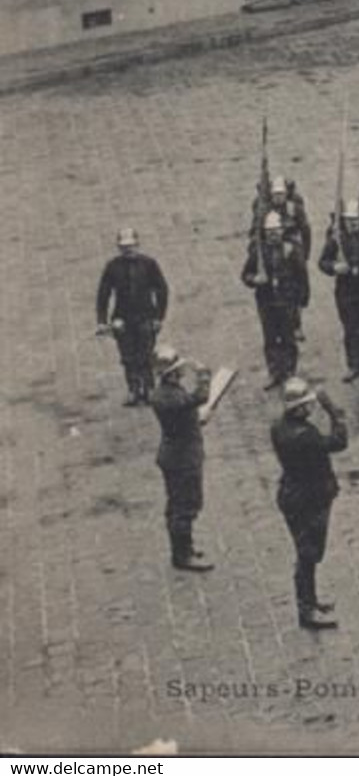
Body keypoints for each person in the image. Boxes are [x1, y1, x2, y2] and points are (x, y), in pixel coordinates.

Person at [271, 378, 348, 631]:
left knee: (308, 552)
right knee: (308, 554)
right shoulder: (306, 436)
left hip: (293, 493)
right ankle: (306, 610)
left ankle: (311, 601)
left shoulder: (278, 427)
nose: (310, 409)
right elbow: (339, 442)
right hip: (309, 499)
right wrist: (334, 412)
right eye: (307, 405)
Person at [147, 345, 214, 572]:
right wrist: (204, 375)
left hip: (177, 454)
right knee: (185, 506)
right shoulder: (171, 397)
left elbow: (186, 411)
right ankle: (182, 555)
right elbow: (201, 397)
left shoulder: (167, 393)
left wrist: (196, 419)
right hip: (182, 458)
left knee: (180, 504)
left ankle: (185, 547)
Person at [97, 227, 169, 406]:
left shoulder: (149, 264)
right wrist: (102, 321)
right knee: (128, 356)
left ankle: (150, 388)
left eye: (131, 246)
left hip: (146, 316)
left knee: (146, 354)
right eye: (124, 247)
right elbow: (103, 294)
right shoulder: (112, 267)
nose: (128, 250)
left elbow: (162, 290)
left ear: (137, 245)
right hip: (122, 318)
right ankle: (133, 389)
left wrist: (159, 317)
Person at [317, 200, 359, 383]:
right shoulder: (337, 238)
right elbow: (322, 262)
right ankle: (353, 365)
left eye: (355, 220)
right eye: (348, 220)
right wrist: (334, 267)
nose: (352, 223)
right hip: (346, 291)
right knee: (351, 328)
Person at [242, 211, 309, 389]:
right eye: (270, 231)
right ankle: (274, 372)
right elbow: (246, 274)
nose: (273, 234)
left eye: (276, 230)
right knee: (270, 338)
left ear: (282, 230)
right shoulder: (259, 251)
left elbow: (301, 275)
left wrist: (302, 300)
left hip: (287, 301)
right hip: (266, 302)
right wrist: (254, 279)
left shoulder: (291, 249)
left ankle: (289, 372)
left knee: (288, 339)